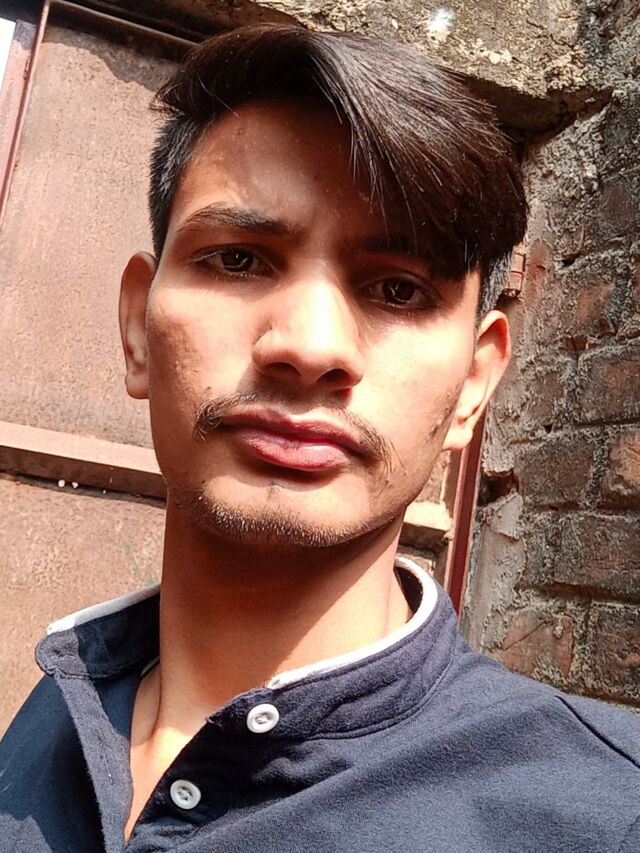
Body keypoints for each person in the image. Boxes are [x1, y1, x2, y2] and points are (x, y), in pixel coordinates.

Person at [0, 22, 638, 853]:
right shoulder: (58, 702)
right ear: (136, 330)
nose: (308, 346)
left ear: (475, 384)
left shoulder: (604, 815)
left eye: (398, 289)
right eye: (237, 260)